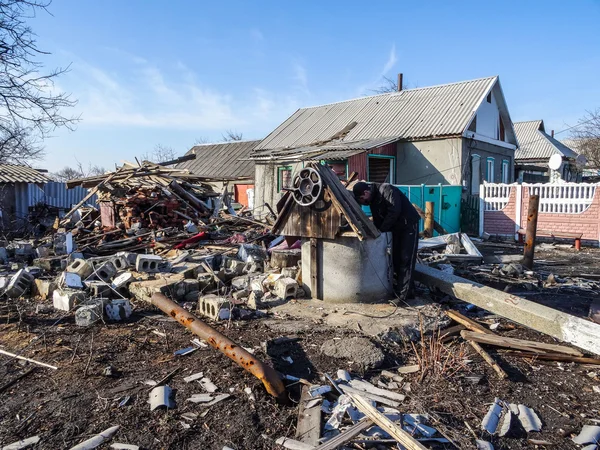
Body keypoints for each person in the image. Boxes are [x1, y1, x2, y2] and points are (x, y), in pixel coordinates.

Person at [352, 181, 420, 300]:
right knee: (397, 259)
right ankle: (407, 291)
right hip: (397, 228)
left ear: (366, 192)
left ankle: (402, 296)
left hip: (408, 225)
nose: (363, 202)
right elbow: (378, 217)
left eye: (362, 199)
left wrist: (381, 230)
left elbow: (394, 211)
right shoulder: (373, 198)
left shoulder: (386, 190)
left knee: (406, 259)